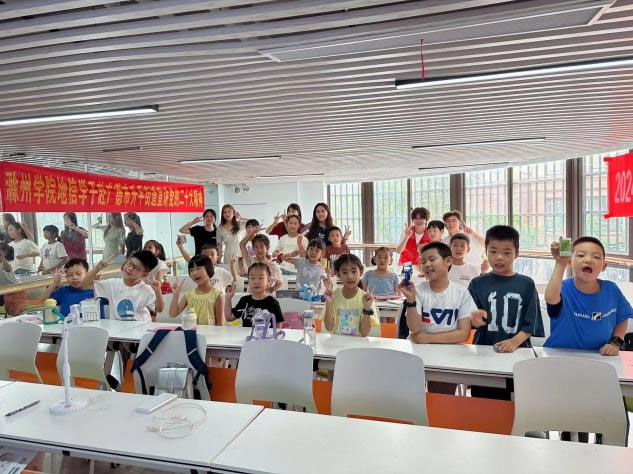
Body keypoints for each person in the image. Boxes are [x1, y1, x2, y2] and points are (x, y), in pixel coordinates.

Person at [468, 225, 544, 400]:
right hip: (484, 352)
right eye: (493, 251)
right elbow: (468, 320)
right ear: (486, 252)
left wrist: (514, 342)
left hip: (518, 353)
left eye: (507, 252)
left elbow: (531, 323)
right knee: (484, 401)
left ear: (517, 253)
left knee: (518, 401)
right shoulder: (477, 283)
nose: (499, 257)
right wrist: (473, 320)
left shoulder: (526, 284)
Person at [398, 242, 478, 394]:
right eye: (423, 261)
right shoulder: (418, 290)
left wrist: (427, 338)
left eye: (432, 259)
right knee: (411, 395)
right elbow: (414, 328)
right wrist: (411, 301)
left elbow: (463, 334)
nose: (427, 264)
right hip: (418, 350)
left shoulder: (461, 293)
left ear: (448, 261)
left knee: (440, 395)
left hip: (448, 353)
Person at [544, 237, 633, 354]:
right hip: (559, 355)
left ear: (604, 266)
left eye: (596, 257)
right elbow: (550, 298)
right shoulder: (562, 288)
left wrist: (615, 343)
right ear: (570, 262)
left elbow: (622, 317)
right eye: (581, 255)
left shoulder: (612, 290)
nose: (588, 260)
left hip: (599, 356)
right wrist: (561, 262)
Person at [82, 250, 163, 321]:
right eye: (130, 263)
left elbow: (159, 309)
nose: (130, 268)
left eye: (136, 268)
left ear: (145, 274)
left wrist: (158, 291)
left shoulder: (146, 289)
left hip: (140, 328)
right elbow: (84, 285)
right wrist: (97, 268)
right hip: (118, 330)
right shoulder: (112, 284)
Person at [322, 254, 379, 337]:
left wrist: (366, 308)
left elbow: (364, 333)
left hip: (357, 344)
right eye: (344, 272)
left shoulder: (366, 298)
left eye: (354, 271)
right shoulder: (332, 296)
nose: (350, 276)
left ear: (361, 272)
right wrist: (329, 303)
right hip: (336, 343)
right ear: (338, 274)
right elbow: (329, 327)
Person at [225, 262, 284, 328]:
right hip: (246, 335)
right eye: (252, 278)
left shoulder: (272, 302)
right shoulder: (244, 300)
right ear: (248, 281)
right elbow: (229, 317)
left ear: (268, 281)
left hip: (266, 335)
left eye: (261, 278)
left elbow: (278, 325)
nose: (256, 281)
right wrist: (228, 298)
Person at [170, 255, 224, 326]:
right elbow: (173, 314)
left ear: (208, 269)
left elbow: (220, 322)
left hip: (209, 333)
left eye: (198, 268)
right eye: (191, 270)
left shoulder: (217, 295)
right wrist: (176, 295)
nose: (194, 273)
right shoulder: (189, 294)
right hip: (191, 332)